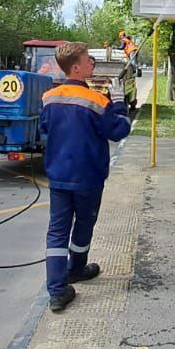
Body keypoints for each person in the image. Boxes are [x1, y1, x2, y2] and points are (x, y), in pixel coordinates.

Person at [38, 42, 131, 312]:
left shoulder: (50, 97)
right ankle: (76, 269)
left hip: (58, 176)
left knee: (57, 231)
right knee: (83, 226)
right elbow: (119, 130)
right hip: (88, 176)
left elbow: (45, 127)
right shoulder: (98, 102)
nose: (92, 62)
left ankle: (57, 291)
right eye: (88, 59)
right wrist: (119, 103)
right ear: (76, 67)